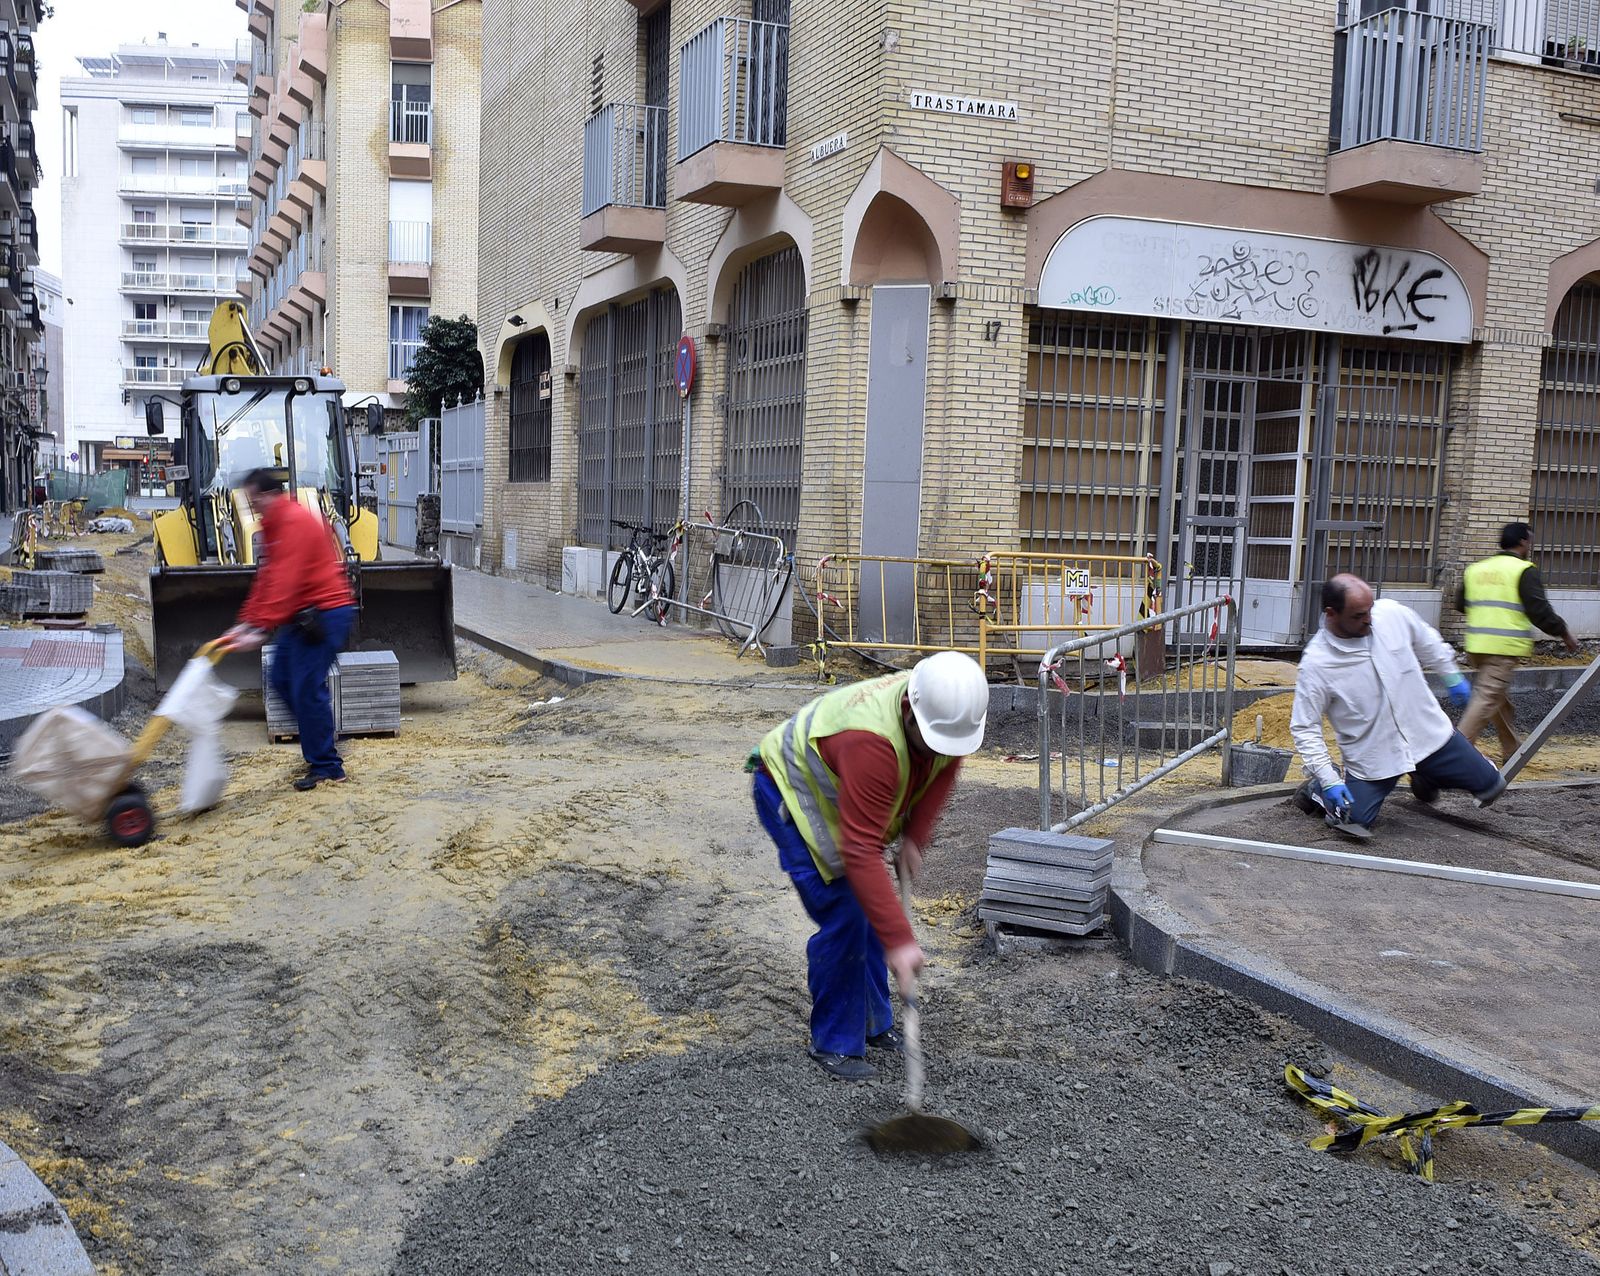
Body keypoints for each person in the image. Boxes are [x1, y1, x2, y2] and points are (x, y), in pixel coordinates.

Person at [749, 651, 989, 1080]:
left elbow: (944, 765)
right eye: (933, 740)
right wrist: (900, 941)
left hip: (846, 797)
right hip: (791, 791)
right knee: (847, 910)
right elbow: (859, 850)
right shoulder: (872, 743)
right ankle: (835, 1043)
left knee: (873, 909)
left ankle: (872, 1023)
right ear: (912, 714)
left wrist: (915, 837)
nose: (941, 749)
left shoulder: (942, 714)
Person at [1290, 573, 1504, 837]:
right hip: (1373, 758)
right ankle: (1319, 792)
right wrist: (1329, 780)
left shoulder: (1390, 615)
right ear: (1332, 614)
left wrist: (1451, 675)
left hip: (1428, 737)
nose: (1369, 619)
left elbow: (1426, 640)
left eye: (1369, 609)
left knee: (1492, 786)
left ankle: (1425, 774)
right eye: (1358, 615)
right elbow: (1304, 727)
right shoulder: (1317, 664)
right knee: (1352, 823)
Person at [216, 468, 357, 790]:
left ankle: (328, 766)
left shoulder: (293, 521)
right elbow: (267, 579)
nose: (253, 508)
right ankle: (320, 735)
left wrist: (261, 628)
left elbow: (286, 581)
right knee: (281, 679)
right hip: (301, 616)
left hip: (326, 613)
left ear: (269, 495)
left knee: (307, 687)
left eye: (255, 501)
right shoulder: (273, 525)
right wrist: (245, 622)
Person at [1453, 521, 1581, 764]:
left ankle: (1512, 752)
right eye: (1529, 539)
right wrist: (1564, 633)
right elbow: (1539, 611)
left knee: (1499, 702)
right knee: (1485, 700)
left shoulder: (1477, 569)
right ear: (1523, 541)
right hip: (1503, 648)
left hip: (1476, 646)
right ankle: (1453, 757)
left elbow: (1461, 604)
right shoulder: (1523, 570)